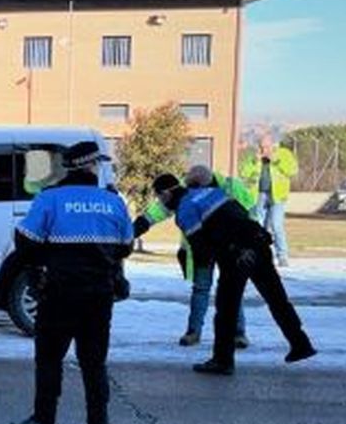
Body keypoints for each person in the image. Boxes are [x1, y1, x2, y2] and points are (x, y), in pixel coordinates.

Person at [7, 141, 133, 424]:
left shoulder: (50, 199)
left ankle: (44, 423)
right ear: (90, 166)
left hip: (59, 293)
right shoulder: (113, 202)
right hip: (99, 295)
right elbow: (126, 245)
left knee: (49, 359)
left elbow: (25, 240)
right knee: (94, 362)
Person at [152, 174, 315, 375]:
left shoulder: (185, 209)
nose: (160, 202)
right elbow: (240, 214)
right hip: (258, 242)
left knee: (226, 308)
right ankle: (300, 344)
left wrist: (194, 264)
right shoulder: (211, 192)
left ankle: (222, 360)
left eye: (159, 197)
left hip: (236, 254)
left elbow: (201, 247)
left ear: (167, 193)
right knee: (277, 299)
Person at [132, 164, 254, 347]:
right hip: (203, 248)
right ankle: (194, 332)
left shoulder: (230, 187)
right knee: (203, 289)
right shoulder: (186, 186)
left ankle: (238, 333)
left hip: (230, 247)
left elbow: (248, 215)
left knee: (230, 290)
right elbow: (162, 208)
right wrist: (138, 226)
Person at [238, 132, 297, 266]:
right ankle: (260, 254)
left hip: (277, 196)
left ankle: (282, 256)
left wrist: (275, 160)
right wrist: (254, 161)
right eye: (261, 147)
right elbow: (243, 173)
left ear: (273, 145)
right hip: (259, 194)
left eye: (266, 147)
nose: (264, 150)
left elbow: (292, 170)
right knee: (258, 226)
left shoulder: (283, 154)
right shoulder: (254, 157)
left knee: (276, 225)